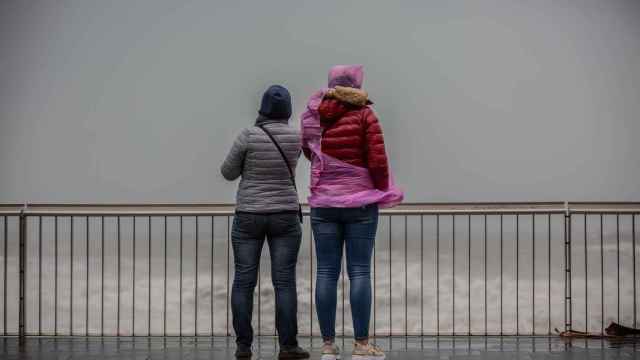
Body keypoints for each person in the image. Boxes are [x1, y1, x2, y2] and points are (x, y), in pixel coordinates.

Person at [301, 65, 403, 360]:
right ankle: (360, 346)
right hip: (360, 204)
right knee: (359, 271)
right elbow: (377, 159)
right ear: (357, 85)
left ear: (331, 84)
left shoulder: (315, 113)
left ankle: (328, 346)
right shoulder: (365, 115)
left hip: (324, 203)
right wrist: (381, 189)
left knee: (326, 272)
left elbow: (309, 152)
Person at [221, 85, 309, 359]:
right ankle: (288, 346)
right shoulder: (296, 137)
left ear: (262, 107)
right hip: (284, 214)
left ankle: (243, 346)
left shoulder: (248, 135)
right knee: (284, 282)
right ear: (287, 110)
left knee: (244, 280)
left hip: (249, 215)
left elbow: (227, 172)